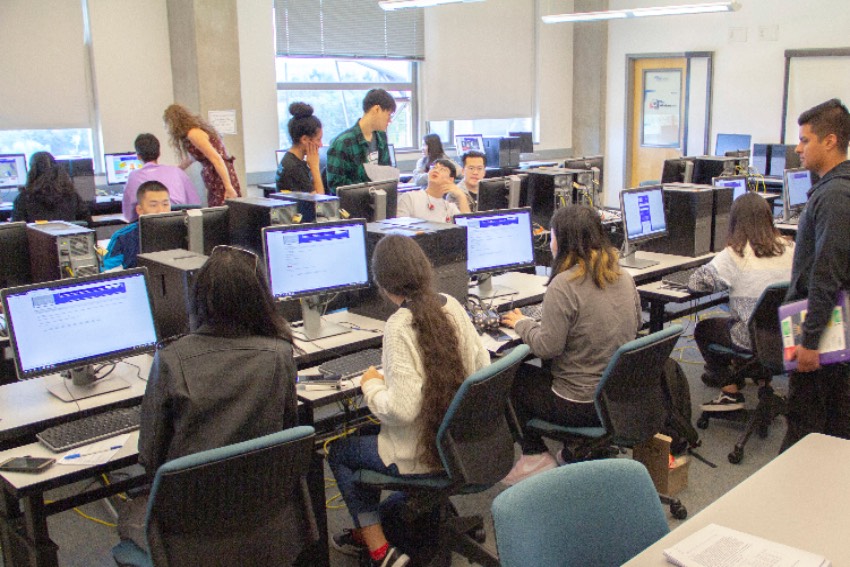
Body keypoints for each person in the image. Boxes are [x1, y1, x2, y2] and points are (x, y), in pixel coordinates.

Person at [118, 244, 299, 551]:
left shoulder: (171, 360)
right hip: (263, 513)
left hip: (190, 523)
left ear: (198, 296)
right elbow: (288, 434)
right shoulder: (280, 354)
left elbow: (150, 457)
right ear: (259, 297)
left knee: (128, 514)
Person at [327, 235, 489, 567]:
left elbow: (401, 410)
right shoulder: (452, 304)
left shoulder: (399, 325)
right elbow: (482, 367)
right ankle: (381, 528)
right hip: (460, 444)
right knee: (362, 444)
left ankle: (380, 551)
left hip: (419, 453)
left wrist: (371, 386)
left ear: (382, 283)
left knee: (340, 453)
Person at [500, 205, 641, 485]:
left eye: (551, 236)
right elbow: (636, 324)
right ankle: (577, 449)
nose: (549, 242)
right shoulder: (623, 276)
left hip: (579, 403)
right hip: (615, 396)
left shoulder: (564, 285)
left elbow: (547, 348)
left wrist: (521, 323)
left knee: (507, 376)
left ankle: (535, 455)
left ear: (563, 240)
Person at [780, 98, 850, 452]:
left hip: (824, 340)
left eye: (805, 140)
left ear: (830, 141)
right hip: (831, 334)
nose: (797, 148)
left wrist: (809, 342)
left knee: (808, 432)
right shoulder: (835, 189)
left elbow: (827, 273)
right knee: (832, 428)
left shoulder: (836, 195)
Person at [688, 192, 794, 411]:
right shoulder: (790, 248)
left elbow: (696, 283)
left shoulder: (736, 254)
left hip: (751, 339)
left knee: (704, 329)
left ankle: (730, 391)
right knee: (757, 319)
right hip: (788, 335)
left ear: (735, 222)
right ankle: (763, 382)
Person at [163, 103, 241, 207]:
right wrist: (176, 169)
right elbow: (194, 157)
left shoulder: (193, 134)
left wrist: (228, 186)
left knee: (223, 208)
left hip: (219, 174)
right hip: (216, 173)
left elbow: (216, 158)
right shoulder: (190, 134)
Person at [326, 88, 395, 193]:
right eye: (388, 114)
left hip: (379, 200)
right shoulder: (343, 143)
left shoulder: (381, 137)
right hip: (353, 204)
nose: (390, 120)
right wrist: (366, 189)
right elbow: (335, 184)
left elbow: (387, 171)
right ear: (376, 109)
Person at [121, 133, 200, 222]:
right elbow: (195, 205)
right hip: (181, 225)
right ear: (159, 153)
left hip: (150, 227)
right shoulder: (177, 172)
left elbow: (129, 216)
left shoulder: (133, 177)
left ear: (138, 156)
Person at [104, 181, 171, 270]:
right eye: (153, 205)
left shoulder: (184, 230)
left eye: (165, 204)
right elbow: (109, 273)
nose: (161, 210)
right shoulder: (123, 238)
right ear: (139, 210)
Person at [11, 152, 91, 224]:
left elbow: (18, 231)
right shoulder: (72, 195)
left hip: (38, 240)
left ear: (32, 172)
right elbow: (87, 223)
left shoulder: (23, 199)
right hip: (67, 239)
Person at [396, 160, 470, 223]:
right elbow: (399, 230)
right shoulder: (409, 198)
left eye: (442, 169)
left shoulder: (450, 208)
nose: (436, 170)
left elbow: (467, 229)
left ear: (451, 179)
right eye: (434, 167)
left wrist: (461, 196)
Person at [276, 102, 325, 195]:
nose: (321, 145)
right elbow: (319, 204)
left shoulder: (290, 160)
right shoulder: (294, 168)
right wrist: (315, 167)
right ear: (304, 139)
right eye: (318, 139)